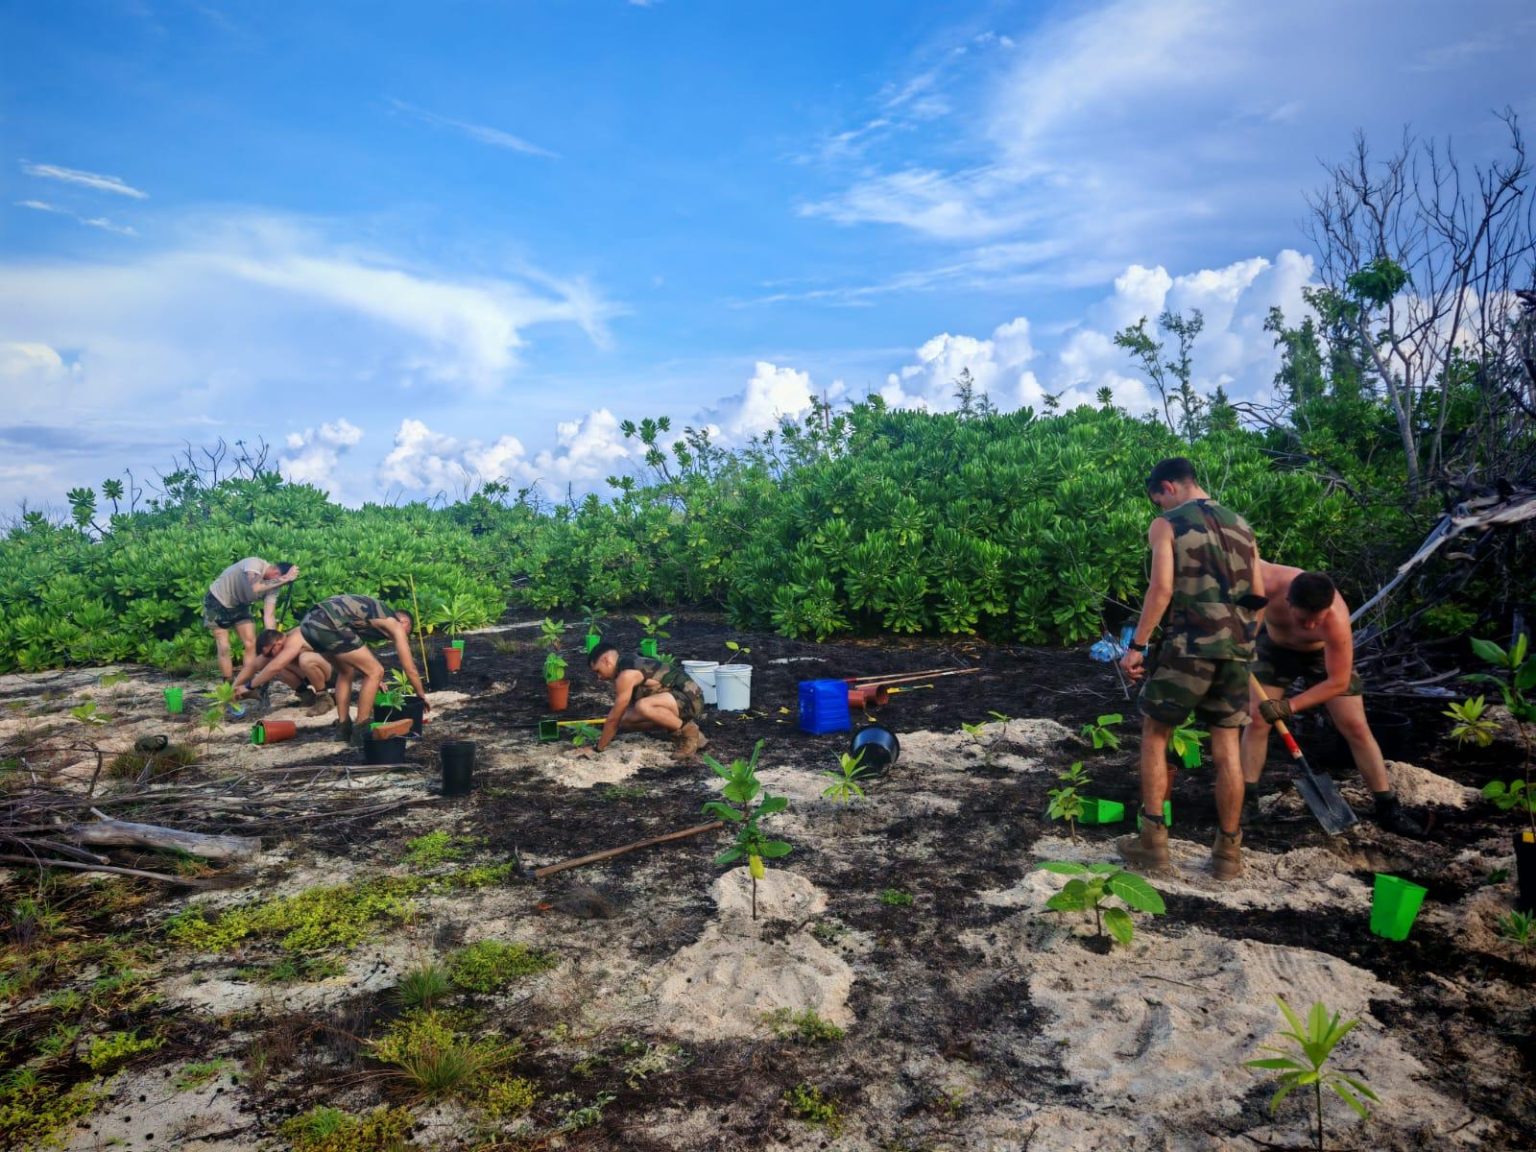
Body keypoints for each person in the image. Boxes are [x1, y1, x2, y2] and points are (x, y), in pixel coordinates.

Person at [1118, 457, 1265, 881]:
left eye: (1158, 500)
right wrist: (1242, 641)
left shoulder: (1168, 524)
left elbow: (1161, 588)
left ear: (1168, 487)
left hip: (1188, 647)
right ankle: (1227, 855)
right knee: (1227, 749)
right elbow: (1257, 595)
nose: (1158, 508)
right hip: (1236, 650)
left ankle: (1152, 842)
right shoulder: (1242, 525)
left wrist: (1138, 646)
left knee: (1155, 733)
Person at [1242, 564, 1426, 836]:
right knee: (1257, 720)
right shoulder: (1267, 581)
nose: (1311, 625)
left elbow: (1338, 682)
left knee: (1355, 726)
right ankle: (1247, 804)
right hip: (1274, 649)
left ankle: (1388, 806)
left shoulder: (1336, 620)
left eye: (1317, 619)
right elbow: (1237, 561)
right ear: (1287, 601)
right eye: (1304, 620)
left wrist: (1288, 706)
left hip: (1322, 656)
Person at [235, 594, 428, 743]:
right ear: (404, 623)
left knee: (346, 671)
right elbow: (409, 667)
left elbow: (355, 648)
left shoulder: (371, 617)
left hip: (312, 622)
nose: (398, 639)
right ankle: (361, 729)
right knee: (375, 671)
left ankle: (344, 727)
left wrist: (234, 687)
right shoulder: (393, 623)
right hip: (328, 622)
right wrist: (421, 696)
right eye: (406, 633)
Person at [586, 643, 708, 760]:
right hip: (675, 700)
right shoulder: (627, 665)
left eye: (598, 671)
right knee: (626, 719)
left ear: (606, 661)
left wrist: (598, 748)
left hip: (691, 699)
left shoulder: (626, 675)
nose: (599, 677)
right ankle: (694, 735)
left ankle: (689, 733)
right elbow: (621, 716)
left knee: (643, 706)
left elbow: (614, 718)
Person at [203, 557, 300, 684]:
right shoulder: (254, 563)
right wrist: (284, 579)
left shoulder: (275, 587)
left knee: (250, 642)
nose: (280, 585)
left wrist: (272, 640)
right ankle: (228, 682)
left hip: (240, 605)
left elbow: (269, 615)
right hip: (215, 601)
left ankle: (246, 681)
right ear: (276, 573)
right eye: (281, 580)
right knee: (224, 646)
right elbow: (255, 587)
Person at [248, 629, 338, 716]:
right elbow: (254, 666)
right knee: (278, 666)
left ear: (278, 643)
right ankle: (308, 696)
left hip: (337, 670)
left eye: (269, 654)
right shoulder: (282, 644)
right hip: (321, 673)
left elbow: (275, 667)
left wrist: (249, 687)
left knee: (305, 659)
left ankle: (323, 698)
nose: (269, 657)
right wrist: (238, 685)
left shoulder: (295, 637)